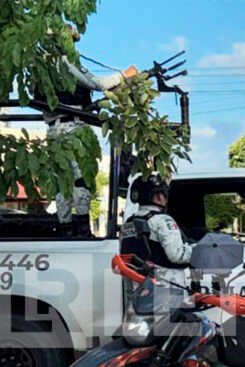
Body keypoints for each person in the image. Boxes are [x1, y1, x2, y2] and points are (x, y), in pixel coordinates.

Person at [43, 26, 136, 238]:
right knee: (80, 180)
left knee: (63, 183)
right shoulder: (64, 63)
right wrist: (125, 75)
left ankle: (65, 230)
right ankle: (83, 231)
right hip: (73, 129)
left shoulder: (42, 67)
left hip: (54, 130)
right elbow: (97, 83)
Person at [120, 173, 193, 289]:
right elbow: (177, 254)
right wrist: (197, 251)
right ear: (159, 196)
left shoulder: (128, 223)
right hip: (166, 287)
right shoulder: (163, 220)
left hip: (139, 290)